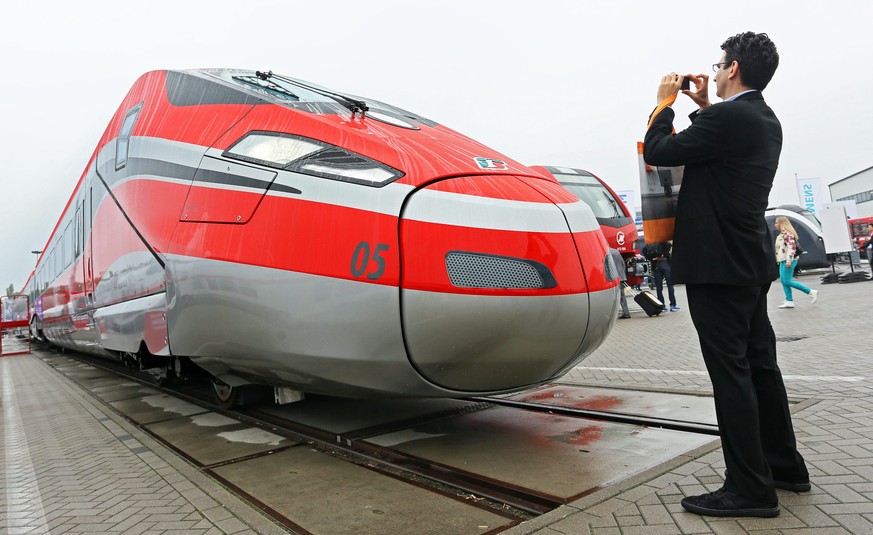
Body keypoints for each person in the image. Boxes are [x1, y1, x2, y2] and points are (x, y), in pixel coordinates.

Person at [643, 32, 809, 518]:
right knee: (760, 367)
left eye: (718, 66)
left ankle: (750, 490)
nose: (713, 72)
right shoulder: (761, 117)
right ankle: (784, 468)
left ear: (733, 68)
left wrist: (664, 104)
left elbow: (659, 150)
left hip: (717, 266)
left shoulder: (730, 117)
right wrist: (703, 104)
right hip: (746, 264)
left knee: (730, 375)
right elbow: (716, 141)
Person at [774, 216, 817, 308]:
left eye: (777, 223)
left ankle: (810, 291)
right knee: (784, 281)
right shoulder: (781, 235)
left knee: (787, 281)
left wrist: (789, 260)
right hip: (782, 261)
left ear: (782, 224)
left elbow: (791, 248)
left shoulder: (788, 234)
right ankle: (789, 300)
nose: (775, 225)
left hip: (788, 261)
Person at [642, 241, 679, 311]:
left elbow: (644, 251)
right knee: (670, 285)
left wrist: (652, 259)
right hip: (665, 263)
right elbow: (668, 253)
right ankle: (673, 305)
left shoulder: (650, 244)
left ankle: (662, 305)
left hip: (656, 265)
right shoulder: (663, 242)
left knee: (658, 287)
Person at [608, 248, 631, 318]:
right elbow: (622, 263)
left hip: (613, 277)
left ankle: (611, 314)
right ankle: (626, 312)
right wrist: (623, 275)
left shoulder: (606, 252)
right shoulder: (616, 252)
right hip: (621, 276)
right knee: (622, 296)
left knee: (612, 296)